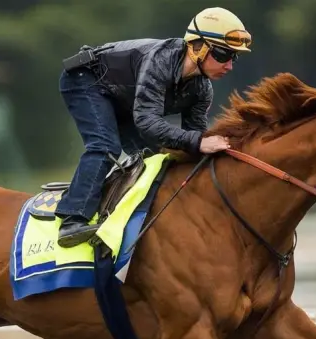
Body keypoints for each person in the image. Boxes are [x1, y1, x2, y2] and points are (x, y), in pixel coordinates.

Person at [53, 6, 253, 248]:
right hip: (86, 80)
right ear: (197, 47)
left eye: (235, 57)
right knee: (106, 145)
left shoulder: (202, 89)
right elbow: (147, 122)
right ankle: (72, 219)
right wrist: (199, 141)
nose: (229, 65)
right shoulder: (161, 60)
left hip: (124, 98)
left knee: (156, 158)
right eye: (223, 55)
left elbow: (192, 143)